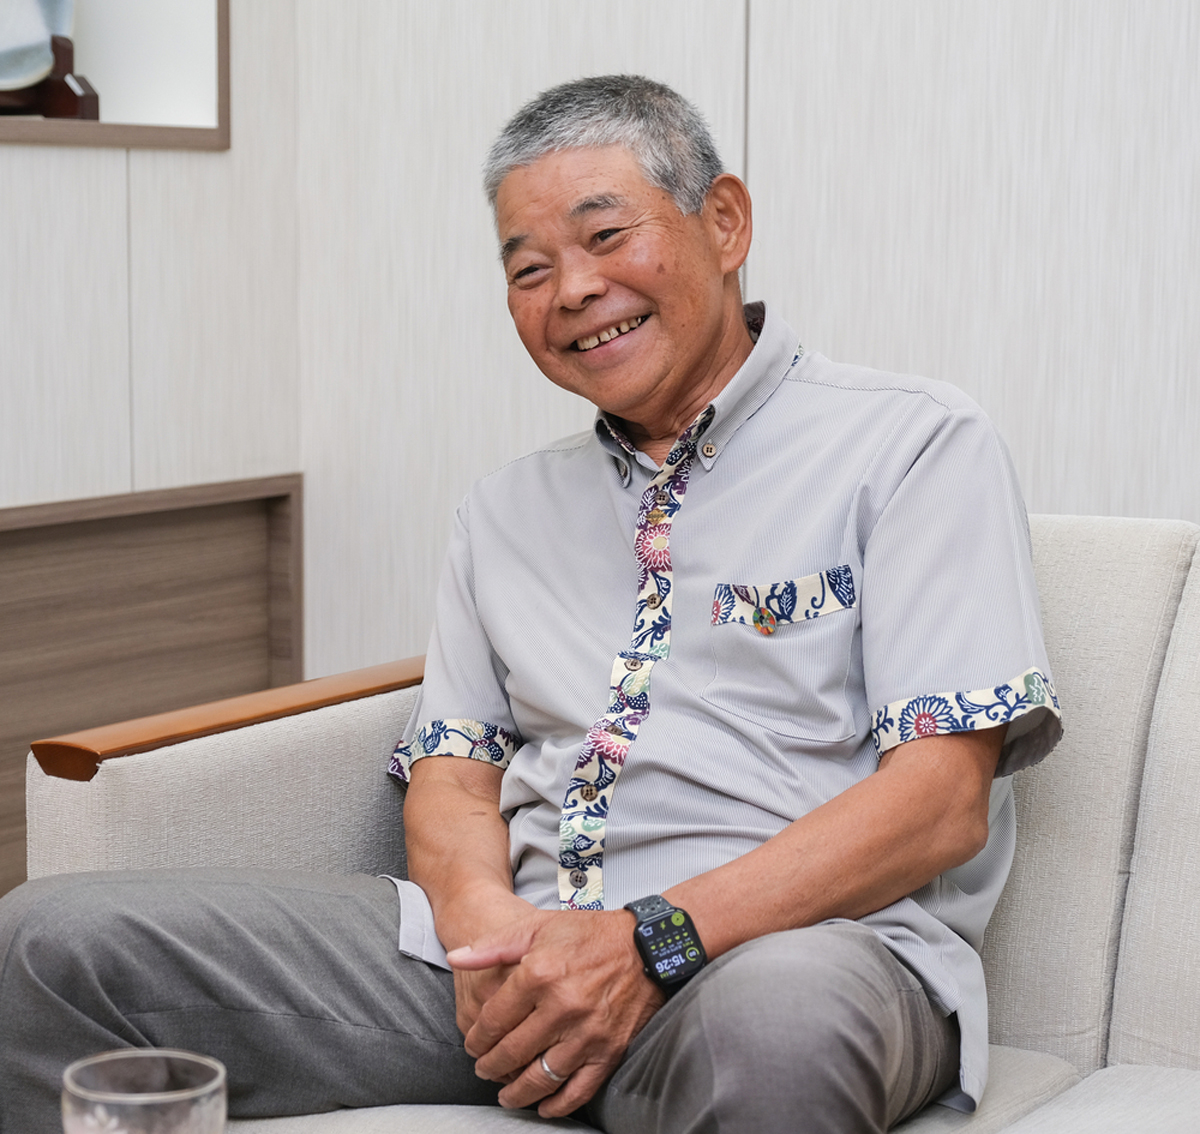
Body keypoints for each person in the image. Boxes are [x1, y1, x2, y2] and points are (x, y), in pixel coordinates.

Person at [0, 75, 1061, 1134]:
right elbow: (452, 779)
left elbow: (939, 802)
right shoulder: (501, 513)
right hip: (516, 968)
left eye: (606, 236)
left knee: (779, 1033)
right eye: (529, 269)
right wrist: (486, 935)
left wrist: (647, 944)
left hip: (790, 957)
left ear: (726, 222)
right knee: (49, 945)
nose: (574, 290)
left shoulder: (913, 446)